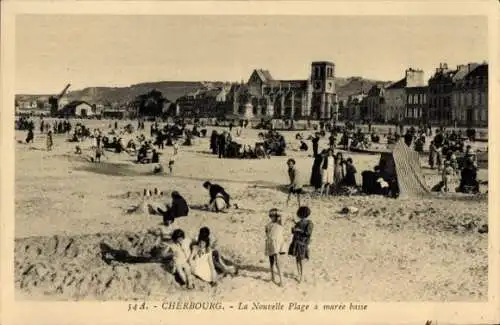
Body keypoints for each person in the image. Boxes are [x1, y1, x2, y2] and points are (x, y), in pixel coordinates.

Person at [288, 206, 313, 283]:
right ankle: (299, 274)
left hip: (302, 244)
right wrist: (294, 228)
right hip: (296, 243)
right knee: (297, 259)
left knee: (301, 260)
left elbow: (308, 233)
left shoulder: (309, 223)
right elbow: (294, 232)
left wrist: (298, 230)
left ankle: (302, 276)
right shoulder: (299, 223)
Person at [265, 208, 286, 286]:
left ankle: (281, 280)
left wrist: (278, 213)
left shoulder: (280, 223)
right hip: (270, 243)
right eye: (271, 216)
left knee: (278, 262)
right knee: (271, 262)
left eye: (274, 216)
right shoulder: (268, 225)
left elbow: (284, 215)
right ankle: (272, 277)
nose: (273, 217)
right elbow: (267, 234)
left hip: (277, 244)